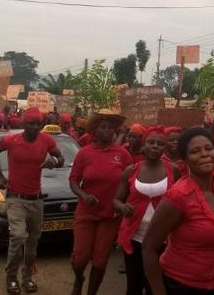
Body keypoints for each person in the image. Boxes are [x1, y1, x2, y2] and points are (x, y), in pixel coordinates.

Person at [143, 127, 214, 295]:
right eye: (195, 151)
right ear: (185, 160)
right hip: (180, 286)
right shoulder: (178, 197)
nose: (204, 154)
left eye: (208, 148)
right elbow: (149, 247)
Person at [0, 107, 65, 294]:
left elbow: (61, 158)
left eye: (38, 124)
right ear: (24, 124)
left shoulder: (46, 140)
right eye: (31, 123)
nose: (35, 127)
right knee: (17, 236)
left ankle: (28, 277)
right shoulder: (11, 140)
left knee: (32, 245)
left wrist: (54, 163)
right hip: (16, 198)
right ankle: (11, 276)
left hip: (36, 200)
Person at [69, 109, 133, 295]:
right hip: (86, 213)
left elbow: (130, 182)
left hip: (110, 216)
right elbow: (73, 181)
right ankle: (79, 279)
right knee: (80, 258)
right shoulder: (84, 153)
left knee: (100, 260)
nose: (107, 131)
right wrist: (83, 195)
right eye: (103, 127)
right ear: (95, 131)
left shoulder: (122, 154)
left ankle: (91, 292)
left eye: (111, 128)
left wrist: (121, 205)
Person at [114, 126, 180, 295]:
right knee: (134, 285)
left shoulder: (173, 170)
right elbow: (116, 200)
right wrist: (122, 207)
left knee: (156, 286)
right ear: (144, 145)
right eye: (151, 142)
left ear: (165, 148)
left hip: (163, 240)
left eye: (160, 143)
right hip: (135, 238)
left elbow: (182, 200)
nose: (155, 146)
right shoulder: (130, 170)